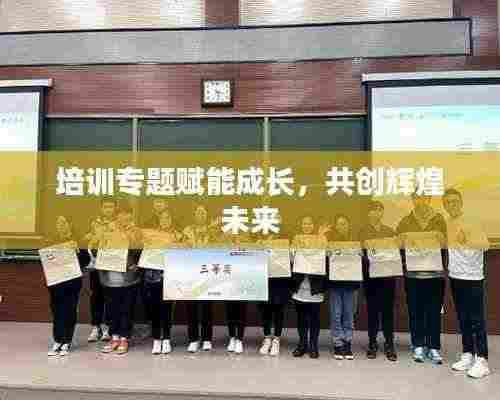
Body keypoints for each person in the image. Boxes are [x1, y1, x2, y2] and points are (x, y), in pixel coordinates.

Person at [443, 188, 490, 378]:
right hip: (455, 276)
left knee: (476, 319)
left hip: (472, 277)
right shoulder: (447, 223)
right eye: (448, 202)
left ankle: (482, 360)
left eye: (454, 201)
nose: (451, 205)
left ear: (461, 202)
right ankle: (468, 354)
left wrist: (468, 240)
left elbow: (485, 245)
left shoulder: (472, 221)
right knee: (463, 318)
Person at [397, 192, 447, 364]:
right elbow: (398, 245)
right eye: (417, 197)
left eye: (424, 197)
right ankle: (418, 344)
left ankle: (433, 347)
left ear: (429, 199)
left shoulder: (439, 219)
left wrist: (441, 238)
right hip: (413, 274)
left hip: (435, 274)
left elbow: (446, 244)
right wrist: (402, 240)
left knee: (433, 311)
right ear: (413, 200)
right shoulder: (405, 221)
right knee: (415, 310)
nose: (421, 201)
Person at [98, 205, 143, 355]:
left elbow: (141, 250)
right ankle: (114, 337)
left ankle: (124, 338)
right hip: (110, 276)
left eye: (127, 214)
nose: (124, 217)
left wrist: (138, 264)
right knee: (112, 308)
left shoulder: (135, 231)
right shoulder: (107, 230)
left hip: (129, 277)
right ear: (117, 215)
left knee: (126, 308)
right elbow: (99, 248)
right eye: (121, 213)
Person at [45, 215, 91, 356]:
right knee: (57, 310)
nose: (61, 225)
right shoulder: (51, 239)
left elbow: (86, 260)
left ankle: (67, 341)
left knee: (69, 310)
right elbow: (46, 259)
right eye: (58, 223)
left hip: (72, 281)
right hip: (55, 281)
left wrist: (78, 250)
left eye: (64, 222)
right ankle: (57, 340)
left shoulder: (78, 240)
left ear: (70, 224)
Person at [360, 201, 398, 361]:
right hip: (370, 277)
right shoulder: (362, 232)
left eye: (379, 210)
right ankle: (372, 343)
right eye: (373, 210)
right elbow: (360, 255)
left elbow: (395, 254)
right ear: (368, 213)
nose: (376, 213)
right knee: (372, 311)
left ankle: (389, 344)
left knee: (388, 311)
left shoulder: (390, 231)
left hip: (388, 278)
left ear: (382, 213)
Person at [144, 209, 182, 355]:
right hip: (152, 276)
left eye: (168, 218)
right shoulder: (151, 234)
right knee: (154, 309)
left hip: (170, 276)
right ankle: (156, 339)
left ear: (171, 220)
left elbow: (182, 255)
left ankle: (166, 338)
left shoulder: (177, 235)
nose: (165, 220)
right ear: (158, 220)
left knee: (167, 309)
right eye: (162, 218)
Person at [291, 215, 327, 359]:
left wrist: (321, 238)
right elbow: (291, 259)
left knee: (314, 319)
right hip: (299, 286)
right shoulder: (296, 239)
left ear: (313, 225)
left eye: (309, 223)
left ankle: (313, 345)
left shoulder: (321, 239)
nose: (307, 226)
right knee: (301, 318)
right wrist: (295, 251)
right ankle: (302, 344)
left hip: (315, 286)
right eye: (304, 223)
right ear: (301, 225)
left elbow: (324, 257)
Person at [326, 214, 360, 360]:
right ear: (335, 226)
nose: (342, 226)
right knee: (336, 314)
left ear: (348, 225)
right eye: (339, 224)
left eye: (344, 223)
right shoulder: (330, 241)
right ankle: (337, 343)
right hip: (335, 283)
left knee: (348, 314)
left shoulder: (355, 240)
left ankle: (347, 342)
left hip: (350, 284)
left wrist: (359, 254)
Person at [257, 217, 292, 357]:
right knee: (265, 310)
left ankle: (276, 339)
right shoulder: (260, 238)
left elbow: (292, 258)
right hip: (264, 279)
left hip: (280, 280)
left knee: (278, 310)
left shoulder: (285, 240)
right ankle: (266, 338)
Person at [183, 204, 214, 352]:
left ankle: (207, 339)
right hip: (191, 273)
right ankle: (193, 339)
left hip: (208, 273)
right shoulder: (187, 230)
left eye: (203, 212)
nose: (200, 215)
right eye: (198, 212)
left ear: (207, 215)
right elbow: (182, 249)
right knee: (191, 307)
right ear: (194, 214)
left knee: (207, 307)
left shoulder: (213, 231)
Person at [84, 197, 116, 343]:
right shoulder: (94, 223)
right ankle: (96, 327)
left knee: (110, 295)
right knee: (96, 295)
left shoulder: (118, 223)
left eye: (111, 207)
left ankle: (108, 327)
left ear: (115, 208)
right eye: (106, 207)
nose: (108, 209)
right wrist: (91, 237)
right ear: (101, 208)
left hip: (112, 264)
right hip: (96, 264)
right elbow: (86, 238)